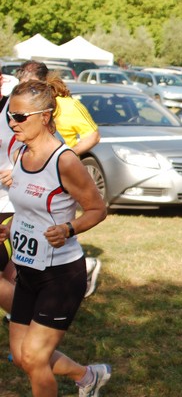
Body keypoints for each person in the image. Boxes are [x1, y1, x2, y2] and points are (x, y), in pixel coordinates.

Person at [0, 80, 109, 396]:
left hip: (60, 276)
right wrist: (13, 228)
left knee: (35, 358)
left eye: (20, 117)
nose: (12, 123)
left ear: (45, 116)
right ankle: (88, 377)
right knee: (22, 357)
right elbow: (26, 208)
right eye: (11, 115)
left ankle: (86, 378)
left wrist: (69, 229)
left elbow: (97, 208)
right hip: (27, 272)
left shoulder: (64, 160)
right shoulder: (19, 153)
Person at [16, 60, 102, 298]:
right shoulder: (21, 109)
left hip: (61, 171)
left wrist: (64, 156)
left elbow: (94, 135)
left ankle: (80, 269)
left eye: (32, 86)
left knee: (56, 227)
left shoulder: (67, 105)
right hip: (31, 167)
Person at [0, 73, 20, 317]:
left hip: (10, 202)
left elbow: (43, 150)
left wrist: (17, 172)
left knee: (11, 271)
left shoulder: (15, 112)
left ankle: (28, 320)